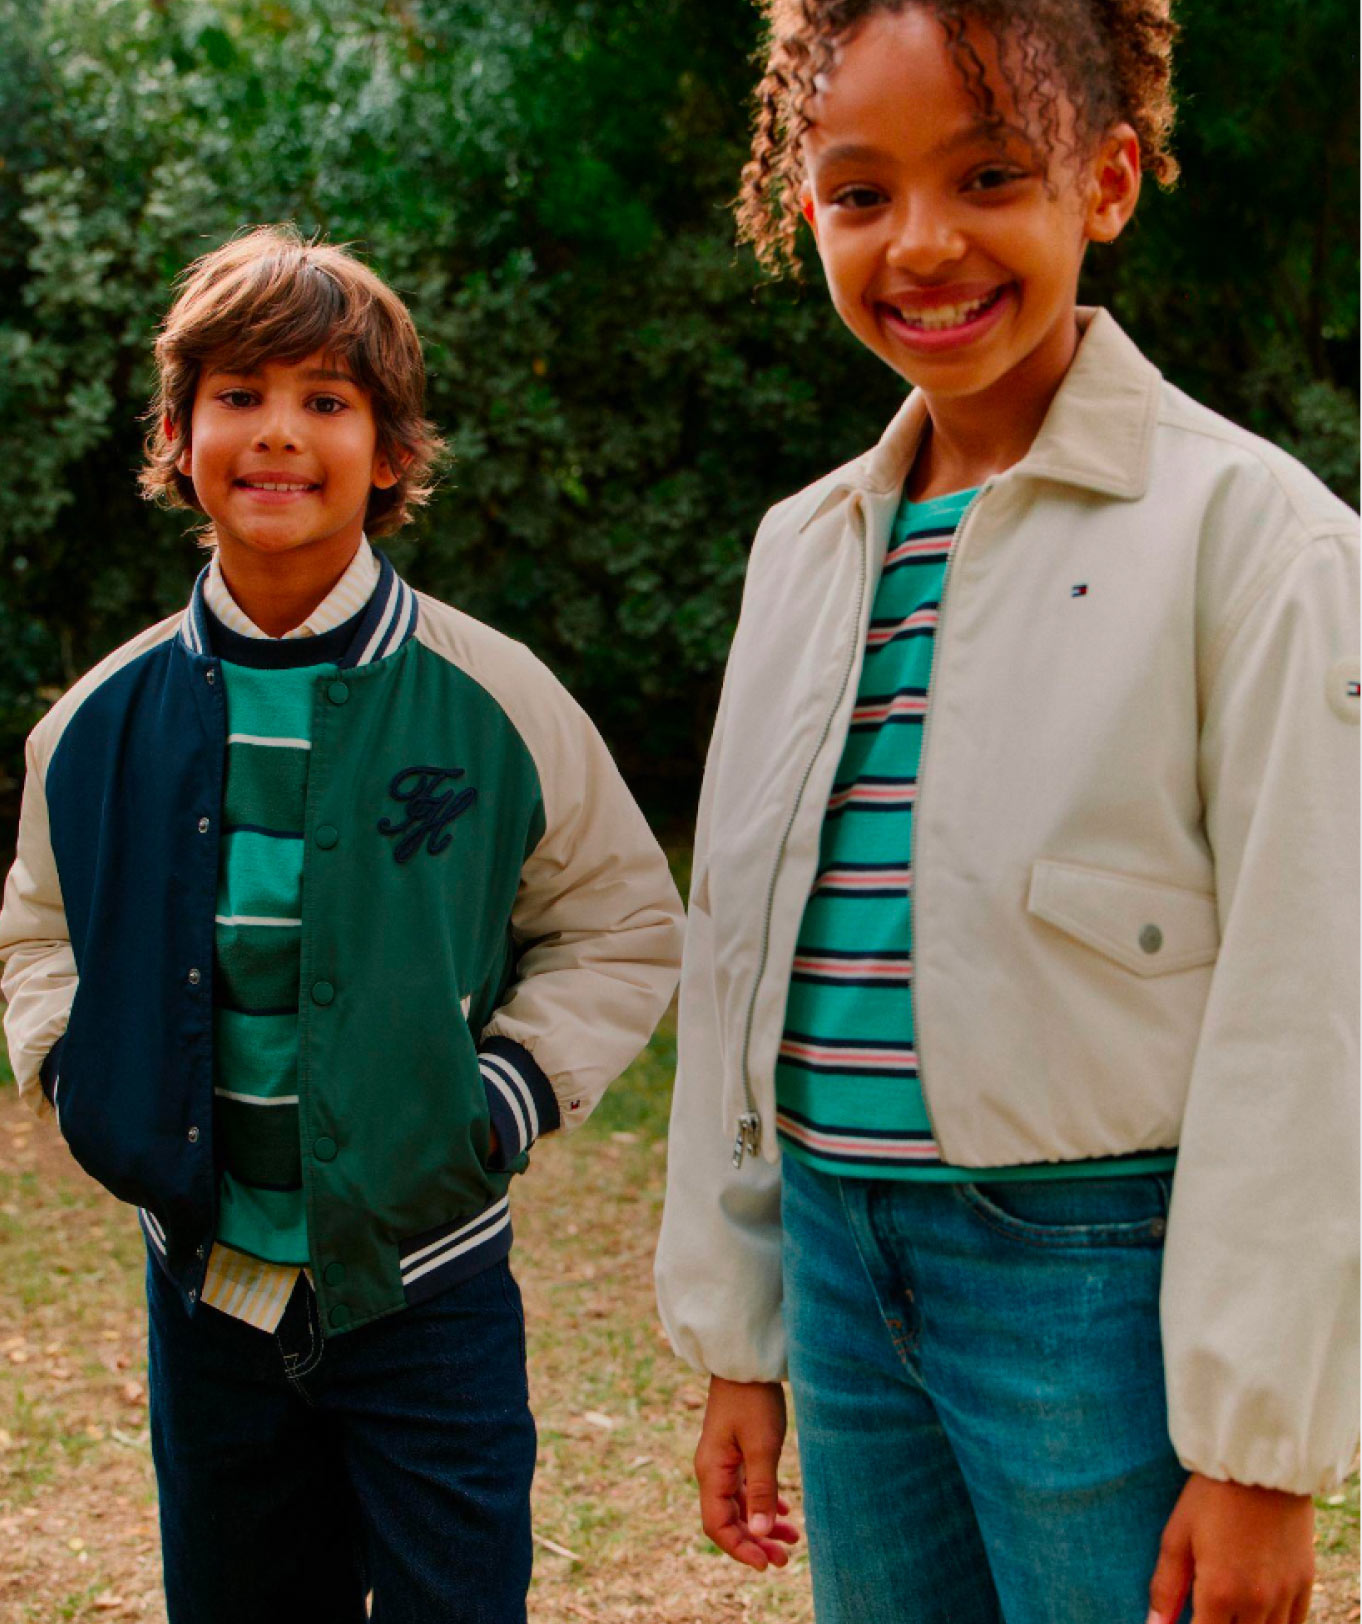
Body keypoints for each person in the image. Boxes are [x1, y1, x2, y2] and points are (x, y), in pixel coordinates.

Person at [654, 4, 1358, 1622]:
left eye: (986, 175)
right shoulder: (804, 548)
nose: (921, 243)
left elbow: (1310, 1010)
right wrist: (739, 1332)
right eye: (856, 192)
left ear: (1104, 181)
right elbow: (738, 959)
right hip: (836, 1260)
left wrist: (1259, 1448)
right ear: (803, 211)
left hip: (1091, 1277)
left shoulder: (1259, 540)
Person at [0, 225, 684, 1624]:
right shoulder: (93, 722)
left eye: (326, 400)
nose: (279, 435)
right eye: (240, 397)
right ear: (179, 433)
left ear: (388, 451)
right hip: (204, 1297)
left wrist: (492, 1101)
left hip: (424, 1299)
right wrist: (75, 1069)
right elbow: (36, 928)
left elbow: (619, 922)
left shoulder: (497, 700)